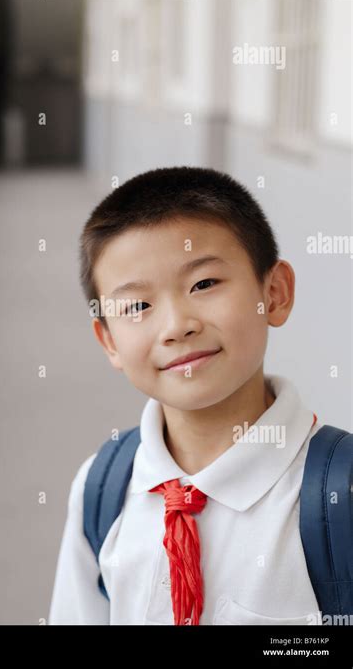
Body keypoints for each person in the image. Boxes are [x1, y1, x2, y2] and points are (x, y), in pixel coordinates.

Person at [48, 166, 345, 625]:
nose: (176, 326)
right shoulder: (102, 486)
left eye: (203, 284)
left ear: (275, 293)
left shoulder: (337, 495)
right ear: (109, 341)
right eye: (137, 306)